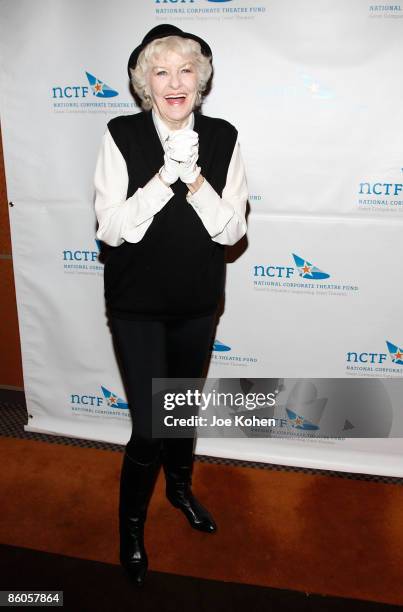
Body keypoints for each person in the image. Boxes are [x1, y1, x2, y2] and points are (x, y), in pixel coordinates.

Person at [93, 24, 248, 587]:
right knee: (151, 428)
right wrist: (164, 177)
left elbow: (231, 233)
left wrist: (196, 178)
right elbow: (111, 231)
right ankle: (131, 528)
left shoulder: (225, 136)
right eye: (161, 71)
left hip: (197, 302)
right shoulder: (121, 134)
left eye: (186, 70)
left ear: (200, 80)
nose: (174, 82)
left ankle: (180, 491)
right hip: (136, 304)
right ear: (144, 84)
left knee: (180, 413)